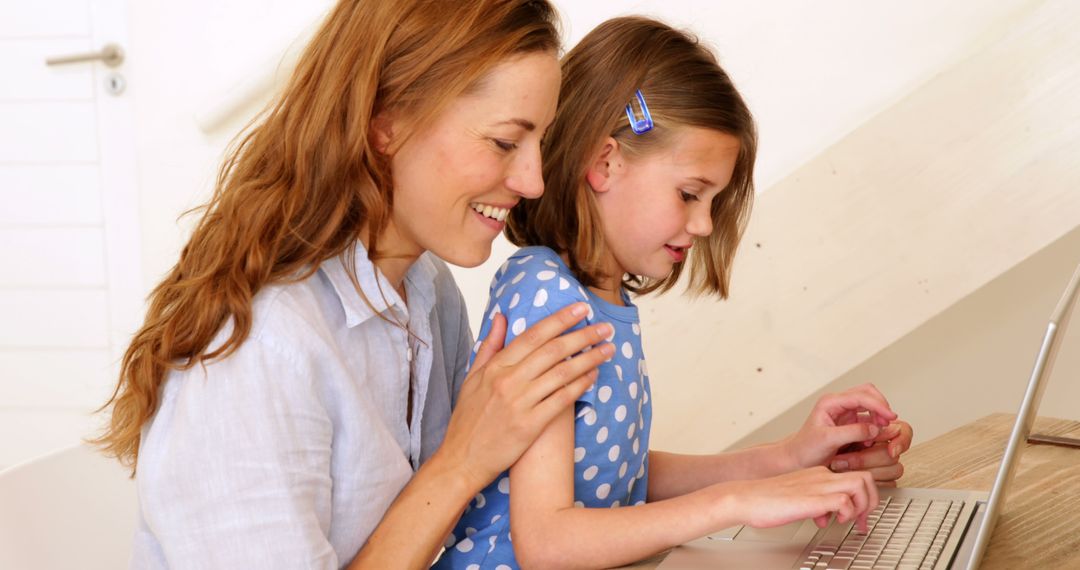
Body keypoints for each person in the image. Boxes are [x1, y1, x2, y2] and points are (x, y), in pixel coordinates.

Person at [92, 1, 617, 568]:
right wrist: (463, 459)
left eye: (539, 142)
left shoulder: (427, 291)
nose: (533, 181)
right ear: (386, 123)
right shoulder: (255, 351)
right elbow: (464, 469)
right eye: (504, 142)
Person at [434, 16, 913, 569]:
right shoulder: (543, 292)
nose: (705, 224)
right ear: (605, 163)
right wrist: (735, 502)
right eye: (690, 194)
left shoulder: (598, 302)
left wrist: (790, 458)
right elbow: (548, 542)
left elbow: (621, 475)